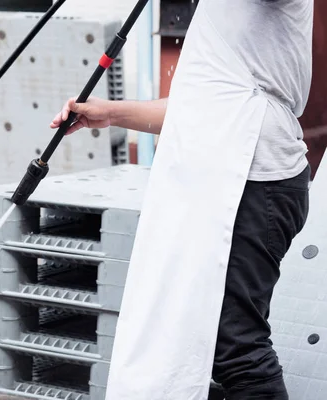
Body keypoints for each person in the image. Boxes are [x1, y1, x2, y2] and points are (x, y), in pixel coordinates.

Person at [51, 0, 313, 399]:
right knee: (190, 342)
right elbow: (205, 106)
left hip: (255, 180)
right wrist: (112, 113)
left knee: (234, 348)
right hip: (229, 176)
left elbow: (236, 107)